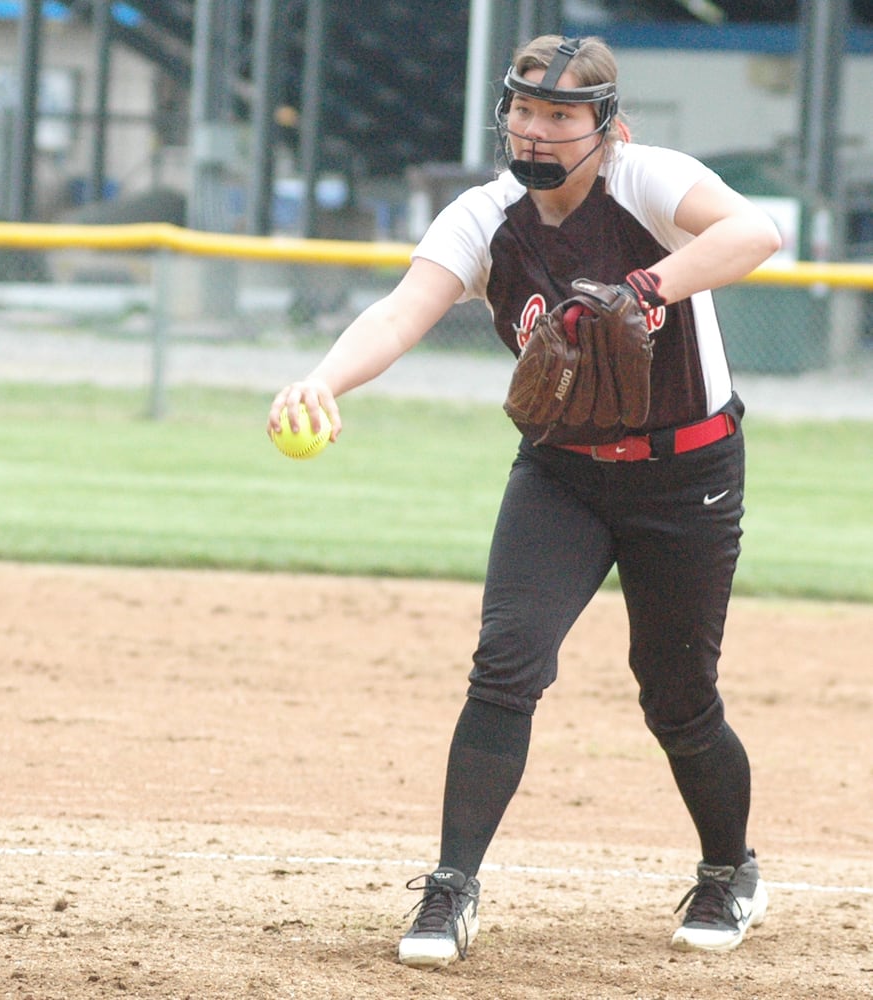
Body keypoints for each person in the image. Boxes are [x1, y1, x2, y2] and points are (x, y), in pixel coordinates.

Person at [267, 34, 781, 968]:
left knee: (676, 696)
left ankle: (726, 869)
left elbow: (754, 232)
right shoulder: (484, 216)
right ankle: (449, 889)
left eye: (559, 116)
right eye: (522, 111)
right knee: (505, 663)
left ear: (605, 128)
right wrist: (324, 381)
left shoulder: (648, 179)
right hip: (562, 471)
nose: (535, 132)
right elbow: (398, 311)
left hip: (686, 474)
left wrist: (648, 285)